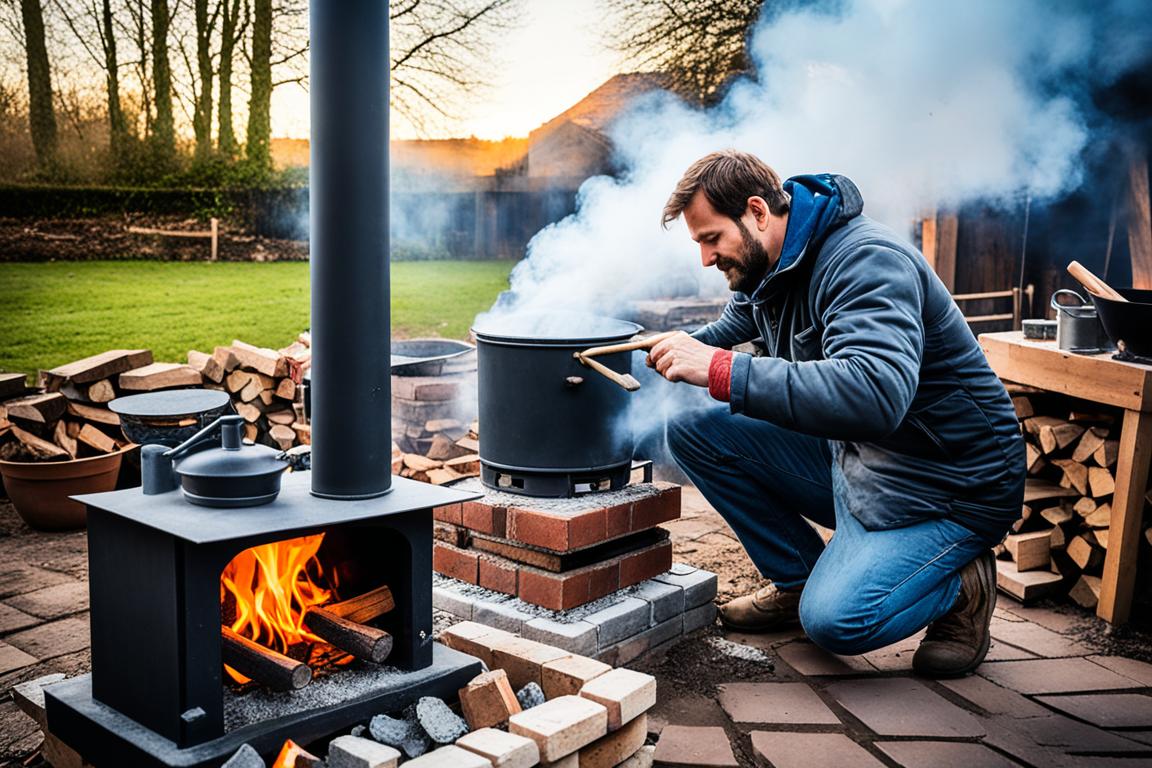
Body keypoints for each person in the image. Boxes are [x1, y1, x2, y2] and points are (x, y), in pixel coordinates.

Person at [648, 150, 1025, 678]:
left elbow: (875, 393)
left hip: (945, 483)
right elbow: (721, 335)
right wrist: (660, 350)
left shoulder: (866, 261)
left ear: (757, 211)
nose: (706, 259)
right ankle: (799, 577)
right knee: (693, 428)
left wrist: (720, 369)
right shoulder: (773, 265)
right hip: (861, 460)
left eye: (712, 239)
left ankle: (963, 587)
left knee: (835, 623)